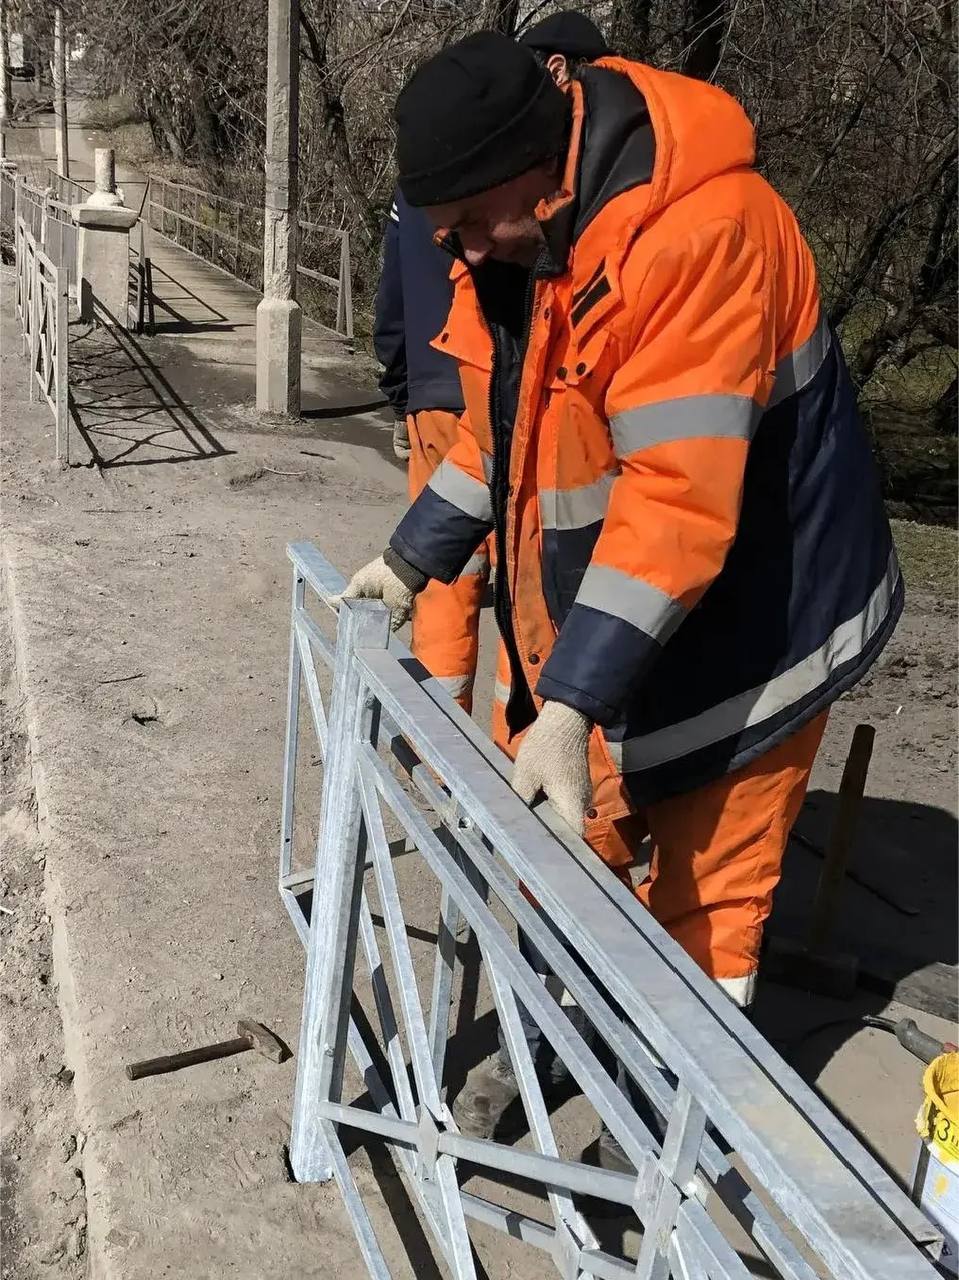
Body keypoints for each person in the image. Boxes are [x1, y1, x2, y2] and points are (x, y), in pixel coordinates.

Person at [339, 32, 902, 1153]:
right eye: (442, 227)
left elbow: (676, 498)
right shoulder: (521, 246)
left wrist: (571, 701)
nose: (452, 248)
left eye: (467, 219)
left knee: (705, 898)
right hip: (631, 620)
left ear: (535, 168)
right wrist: (410, 559)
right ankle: (563, 1033)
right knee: (570, 841)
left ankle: (665, 1125)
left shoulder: (700, 235)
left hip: (760, 628)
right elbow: (506, 441)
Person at [373, 189, 489, 711]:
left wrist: (403, 398)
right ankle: (531, 752)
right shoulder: (535, 162)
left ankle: (436, 742)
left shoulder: (414, 186)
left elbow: (392, 306)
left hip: (438, 394)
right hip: (520, 393)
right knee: (532, 582)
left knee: (445, 571)